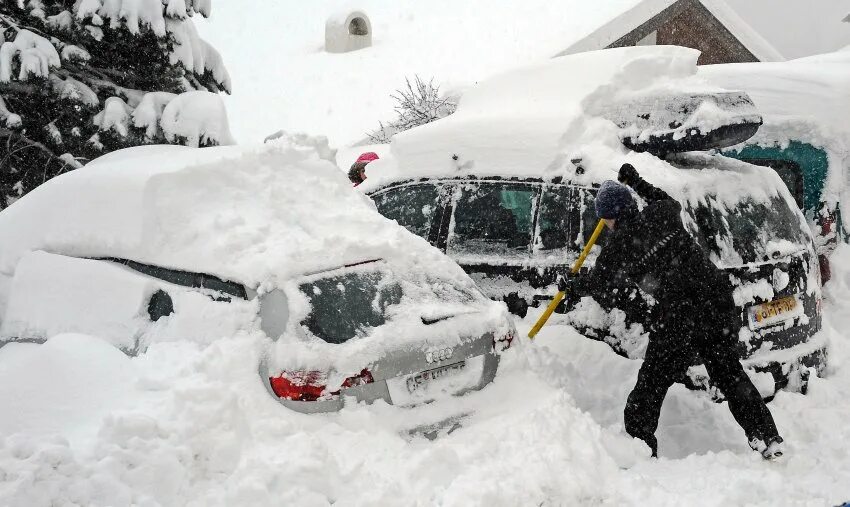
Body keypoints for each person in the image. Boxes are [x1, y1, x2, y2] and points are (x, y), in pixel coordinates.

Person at [559, 163, 785, 460]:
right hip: (715, 301)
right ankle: (765, 435)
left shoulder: (619, 248)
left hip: (679, 316)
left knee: (651, 384)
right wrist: (636, 180)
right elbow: (659, 196)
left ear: (610, 218)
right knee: (729, 374)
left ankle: (639, 448)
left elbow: (601, 285)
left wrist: (572, 285)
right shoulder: (664, 212)